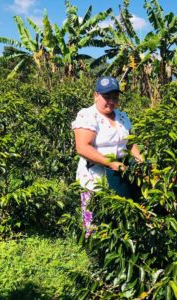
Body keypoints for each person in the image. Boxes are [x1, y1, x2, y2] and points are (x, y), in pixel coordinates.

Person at [72, 76, 142, 236]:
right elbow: (82, 148)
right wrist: (110, 163)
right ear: (96, 95)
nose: (111, 101)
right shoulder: (88, 115)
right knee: (95, 221)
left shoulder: (122, 116)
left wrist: (139, 159)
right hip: (95, 177)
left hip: (121, 174)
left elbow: (131, 142)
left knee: (120, 218)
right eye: (106, 97)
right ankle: (96, 256)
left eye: (114, 97)